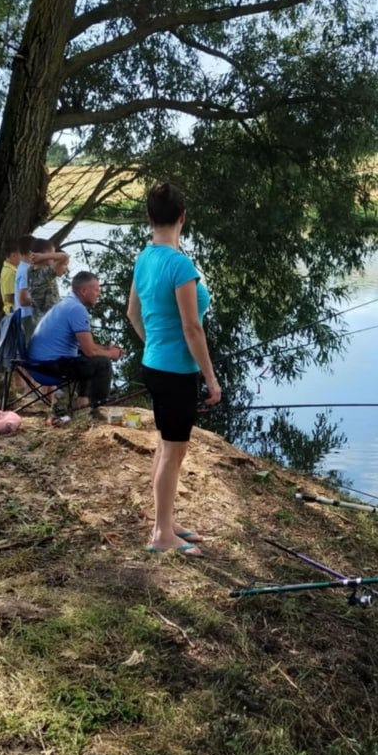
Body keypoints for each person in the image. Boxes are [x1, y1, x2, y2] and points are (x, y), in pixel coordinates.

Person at [127, 182, 221, 557]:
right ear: (183, 216)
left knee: (166, 446)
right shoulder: (180, 265)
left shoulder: (145, 258)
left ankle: (164, 521)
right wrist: (211, 378)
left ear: (149, 217)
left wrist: (154, 344)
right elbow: (192, 328)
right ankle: (162, 535)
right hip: (177, 372)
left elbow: (133, 313)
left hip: (154, 365)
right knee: (173, 451)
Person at [28, 270, 124, 411]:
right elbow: (90, 351)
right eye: (96, 290)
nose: (99, 294)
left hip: (37, 363)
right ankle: (98, 409)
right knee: (102, 363)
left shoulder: (67, 304)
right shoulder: (77, 309)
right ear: (84, 291)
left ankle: (83, 403)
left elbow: (86, 346)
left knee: (86, 359)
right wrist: (111, 354)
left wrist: (105, 349)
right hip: (47, 367)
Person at [27, 239, 70, 326]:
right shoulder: (45, 273)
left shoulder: (30, 270)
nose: (53, 257)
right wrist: (43, 256)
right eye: (51, 254)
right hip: (50, 321)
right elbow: (65, 256)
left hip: (39, 320)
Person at [0, 238, 21, 313]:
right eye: (22, 254)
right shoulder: (9, 273)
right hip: (14, 311)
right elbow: (9, 297)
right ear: (13, 256)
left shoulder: (14, 270)